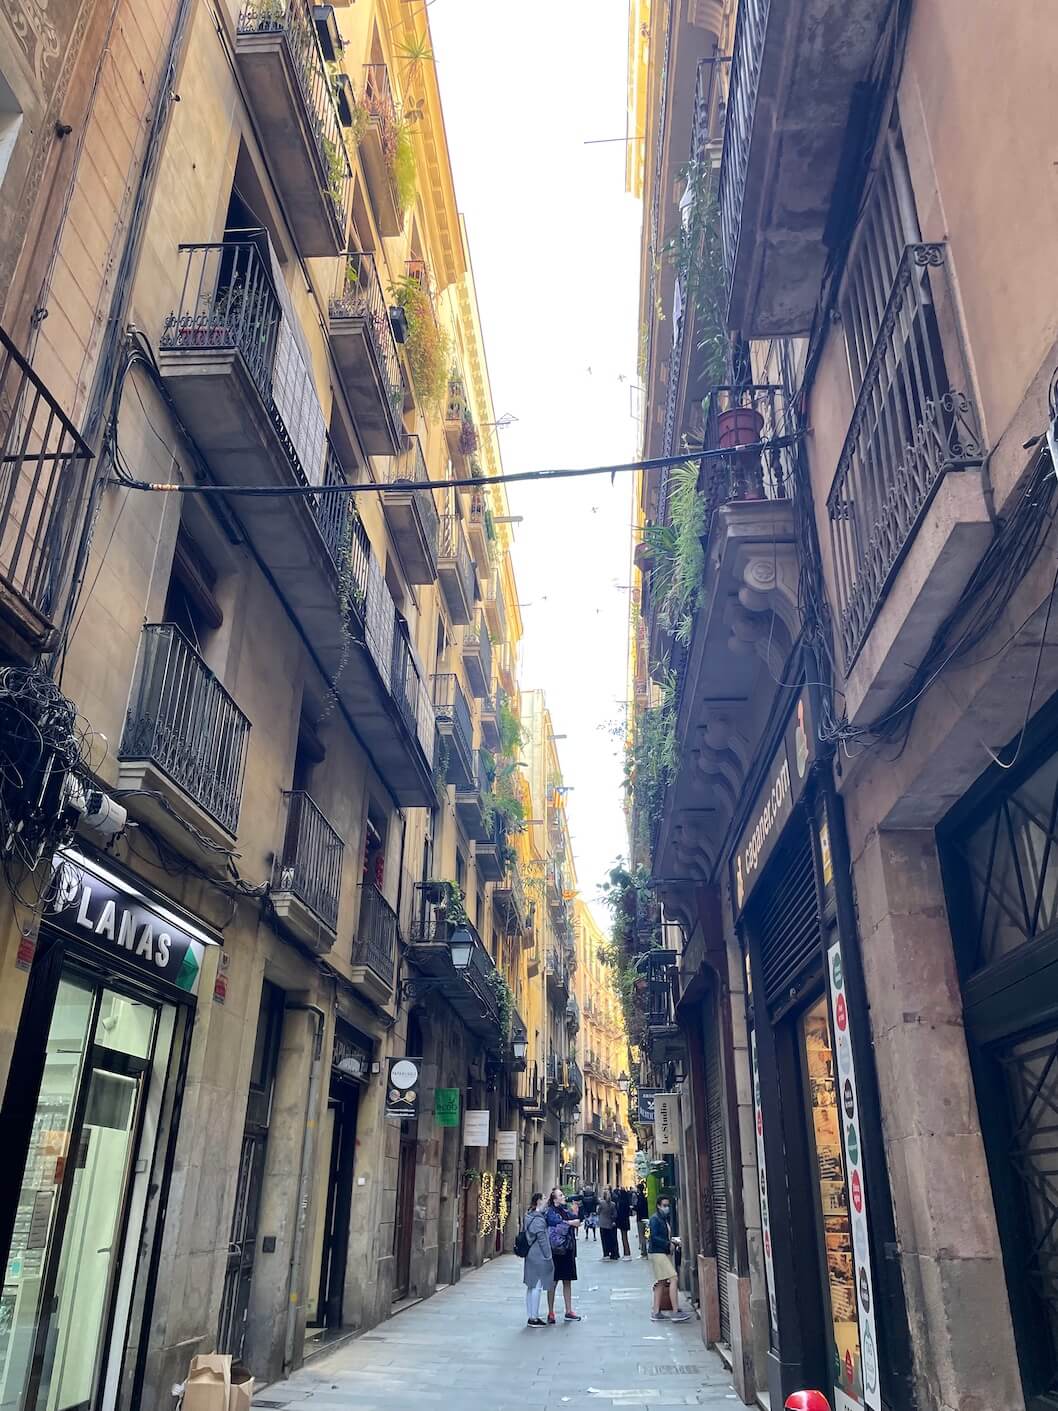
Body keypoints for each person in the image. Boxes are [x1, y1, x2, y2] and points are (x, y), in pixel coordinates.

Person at [648, 1196, 690, 1322]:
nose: (667, 1208)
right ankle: (675, 1311)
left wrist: (671, 1241)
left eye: (668, 1205)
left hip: (660, 1252)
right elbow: (654, 1237)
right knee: (673, 1278)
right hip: (658, 1253)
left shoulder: (663, 1219)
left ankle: (656, 1312)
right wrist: (668, 1244)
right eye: (664, 1205)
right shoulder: (655, 1219)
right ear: (658, 1206)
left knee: (661, 1281)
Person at [544, 1186, 582, 1322]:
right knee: (553, 1282)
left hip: (568, 1249)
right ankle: (550, 1312)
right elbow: (557, 1225)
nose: (563, 1197)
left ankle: (568, 1310)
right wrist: (570, 1223)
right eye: (560, 1196)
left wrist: (572, 1218)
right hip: (556, 1251)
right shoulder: (550, 1212)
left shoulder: (565, 1210)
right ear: (554, 1199)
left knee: (567, 1281)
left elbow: (577, 1221)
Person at [521, 1192, 554, 1328]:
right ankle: (534, 1317)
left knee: (531, 1285)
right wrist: (548, 1256)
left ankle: (531, 1315)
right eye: (544, 1198)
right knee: (537, 1286)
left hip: (530, 1254)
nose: (546, 1200)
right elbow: (542, 1240)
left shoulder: (528, 1215)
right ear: (539, 1201)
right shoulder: (538, 1219)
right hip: (538, 1255)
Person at [597, 1187, 619, 1260]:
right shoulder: (613, 1204)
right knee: (611, 1239)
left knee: (604, 1240)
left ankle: (606, 1254)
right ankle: (613, 1254)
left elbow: (598, 1211)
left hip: (603, 1223)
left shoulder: (601, 1203)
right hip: (610, 1223)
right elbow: (615, 1214)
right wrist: (612, 1220)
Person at [615, 1185, 633, 1259]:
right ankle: (627, 1252)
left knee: (624, 1238)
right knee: (625, 1237)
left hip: (623, 1222)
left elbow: (620, 1213)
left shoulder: (621, 1203)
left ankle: (627, 1253)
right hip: (626, 1221)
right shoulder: (627, 1202)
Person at [635, 1182, 650, 1257]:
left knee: (641, 1236)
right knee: (644, 1235)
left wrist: (633, 1207)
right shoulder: (644, 1197)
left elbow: (638, 1208)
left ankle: (643, 1252)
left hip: (640, 1218)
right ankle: (644, 1251)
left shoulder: (639, 1198)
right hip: (645, 1217)